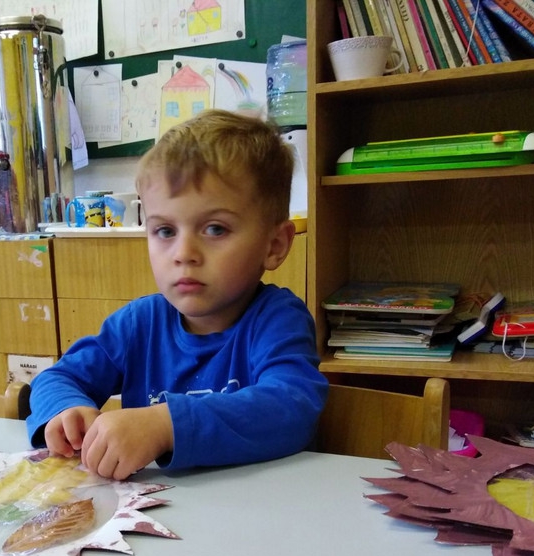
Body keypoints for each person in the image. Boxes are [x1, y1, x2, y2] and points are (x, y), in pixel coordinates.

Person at [27, 109, 328, 479]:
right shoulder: (137, 325)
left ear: (274, 245)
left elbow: (291, 408)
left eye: (215, 229)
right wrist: (66, 410)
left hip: (258, 508)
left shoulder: (278, 320)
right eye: (165, 231)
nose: (184, 253)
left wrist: (165, 425)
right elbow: (56, 379)